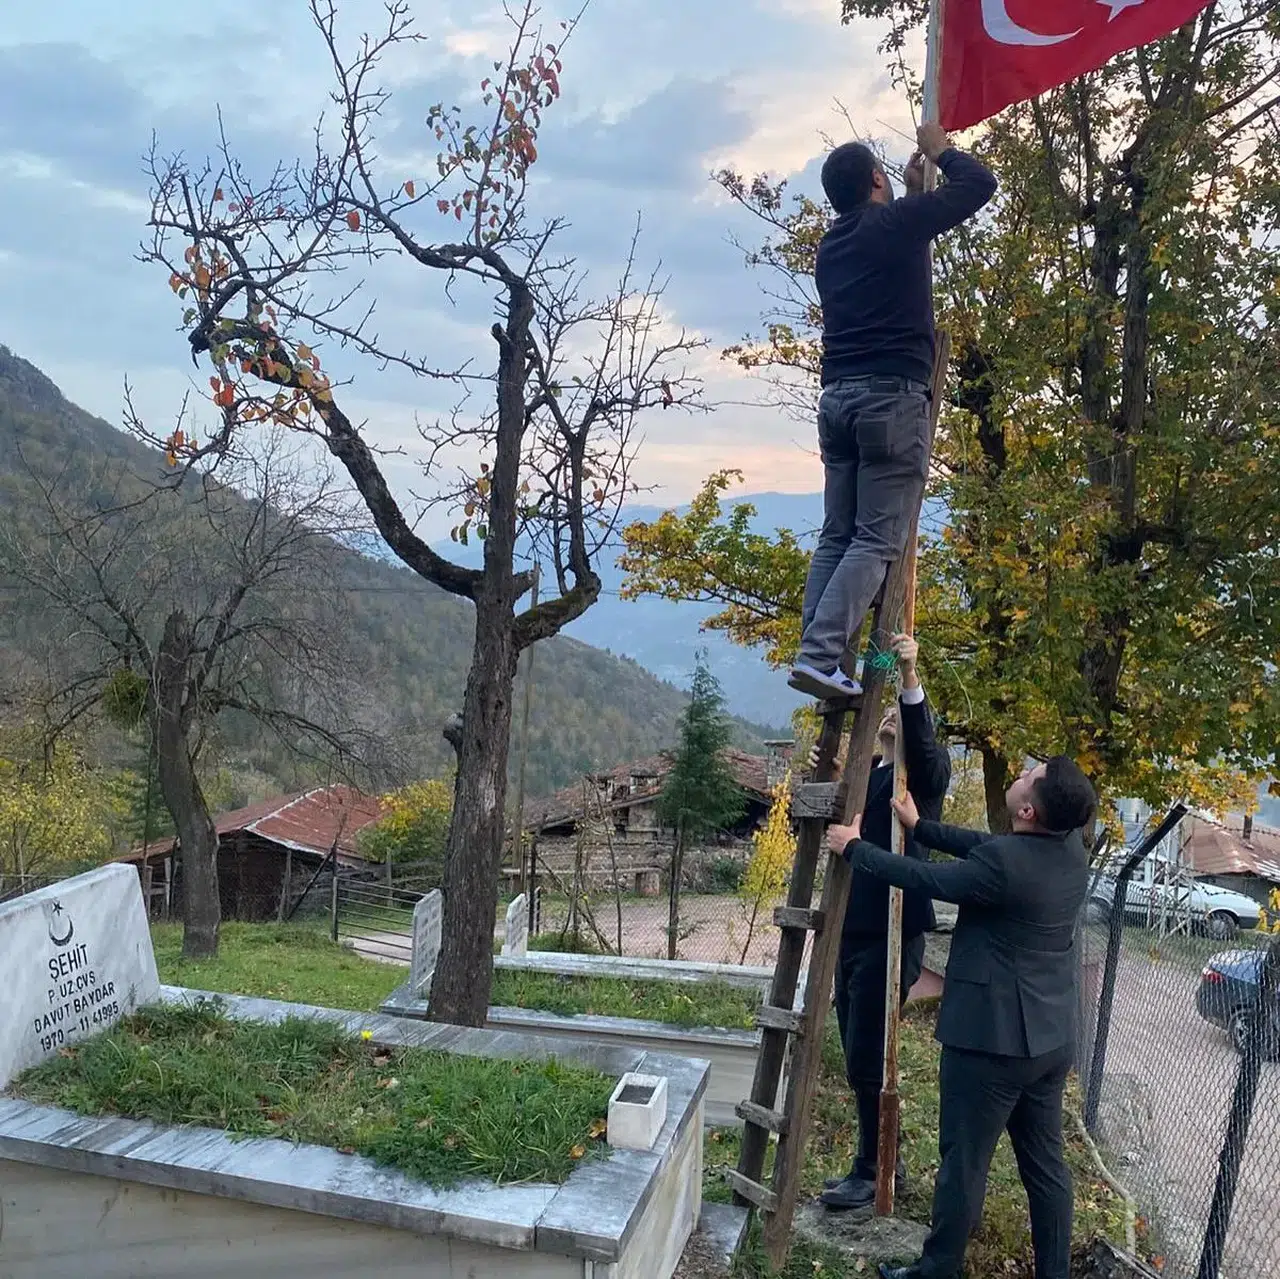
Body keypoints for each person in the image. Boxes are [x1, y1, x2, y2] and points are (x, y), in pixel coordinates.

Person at [826, 756, 1097, 1279]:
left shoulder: (1003, 864)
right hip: (1049, 1038)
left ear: (1027, 810)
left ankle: (937, 1269)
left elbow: (924, 877)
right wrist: (920, 826)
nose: (1022, 772)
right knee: (1046, 1168)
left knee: (963, 1162)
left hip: (990, 1040)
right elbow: (983, 845)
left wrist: (855, 848)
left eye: (1031, 776)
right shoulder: (1069, 850)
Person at [789, 122, 997, 701]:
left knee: (837, 533)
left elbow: (900, 257)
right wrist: (941, 151)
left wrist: (912, 194)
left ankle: (814, 654)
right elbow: (979, 185)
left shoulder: (830, 248)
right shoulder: (893, 226)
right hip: (891, 402)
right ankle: (820, 654)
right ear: (876, 180)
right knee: (877, 539)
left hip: (837, 401)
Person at [811, 633, 951, 1211]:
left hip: (891, 932)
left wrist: (910, 679)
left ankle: (874, 1169)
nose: (890, 713)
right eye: (888, 710)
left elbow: (924, 745)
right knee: (855, 1047)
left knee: (870, 1050)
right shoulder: (872, 774)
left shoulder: (922, 779)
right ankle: (878, 1158)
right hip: (854, 929)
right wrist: (830, 774)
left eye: (900, 711)